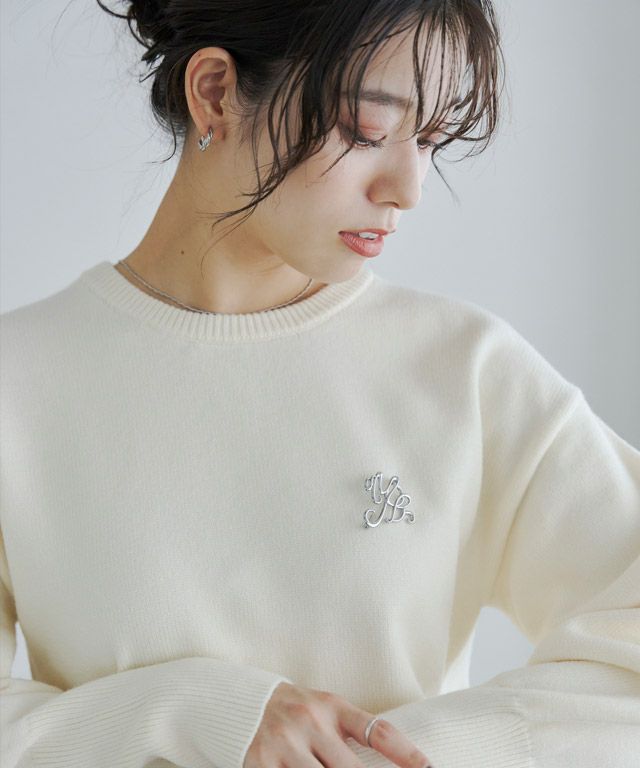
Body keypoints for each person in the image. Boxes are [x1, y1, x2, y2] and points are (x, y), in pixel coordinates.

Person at [1, 1, 638, 767]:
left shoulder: (463, 372)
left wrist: (400, 755)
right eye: (367, 130)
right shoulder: (21, 382)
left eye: (429, 140)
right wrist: (194, 715)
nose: (408, 189)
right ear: (214, 93)